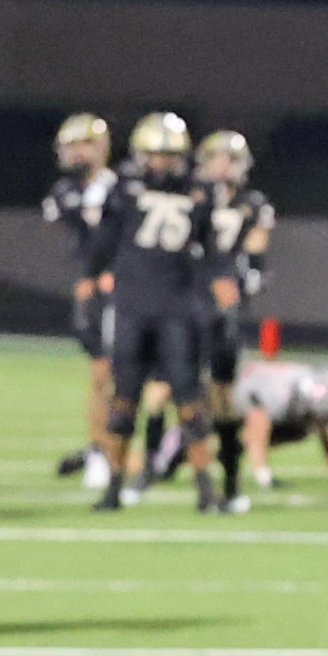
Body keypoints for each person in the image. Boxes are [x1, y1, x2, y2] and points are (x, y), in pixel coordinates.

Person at [82, 113, 234, 513]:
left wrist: (220, 280)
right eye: (154, 154)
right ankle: (114, 486)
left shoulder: (195, 191)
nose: (161, 163)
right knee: (125, 399)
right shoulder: (127, 188)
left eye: (167, 155)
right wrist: (90, 278)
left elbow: (212, 249)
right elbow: (103, 245)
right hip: (136, 306)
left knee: (189, 399)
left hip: (175, 307)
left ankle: (205, 487)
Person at [41, 112, 116, 492]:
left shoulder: (120, 188)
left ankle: (129, 451)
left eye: (78, 145)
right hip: (98, 295)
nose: (72, 154)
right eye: (68, 146)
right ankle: (102, 452)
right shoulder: (66, 193)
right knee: (101, 374)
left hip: (132, 291)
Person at [195, 131, 275, 439]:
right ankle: (164, 452)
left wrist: (247, 279)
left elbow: (256, 254)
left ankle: (225, 451)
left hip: (226, 294)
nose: (223, 167)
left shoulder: (252, 204)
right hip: (189, 292)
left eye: (229, 160)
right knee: (171, 380)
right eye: (217, 159)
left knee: (222, 379)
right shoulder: (193, 198)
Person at [215, 357, 328, 506]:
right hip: (236, 392)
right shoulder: (279, 396)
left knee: (302, 432)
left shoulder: (309, 393)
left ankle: (228, 452)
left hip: (259, 393)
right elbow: (256, 428)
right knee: (221, 435)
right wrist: (263, 475)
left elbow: (325, 429)